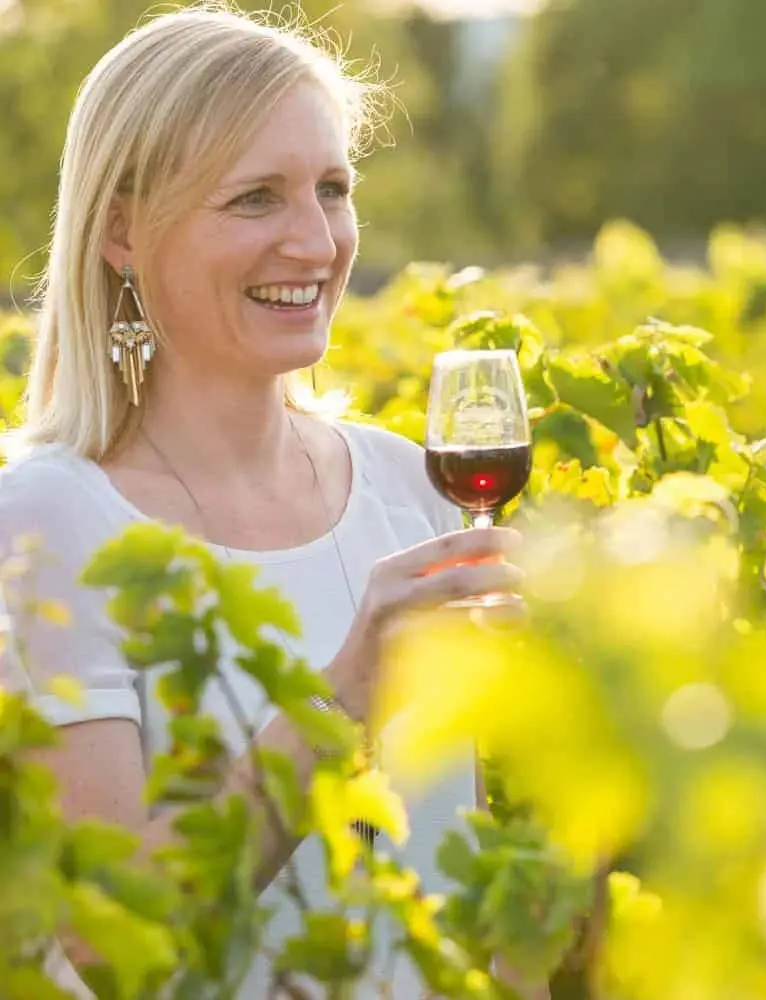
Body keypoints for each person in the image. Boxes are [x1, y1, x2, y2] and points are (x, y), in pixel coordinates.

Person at [0, 6, 544, 998]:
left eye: (332, 190)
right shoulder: (47, 519)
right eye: (256, 199)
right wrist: (340, 700)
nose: (315, 241)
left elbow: (469, 881)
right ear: (121, 229)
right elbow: (97, 946)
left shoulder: (404, 487)